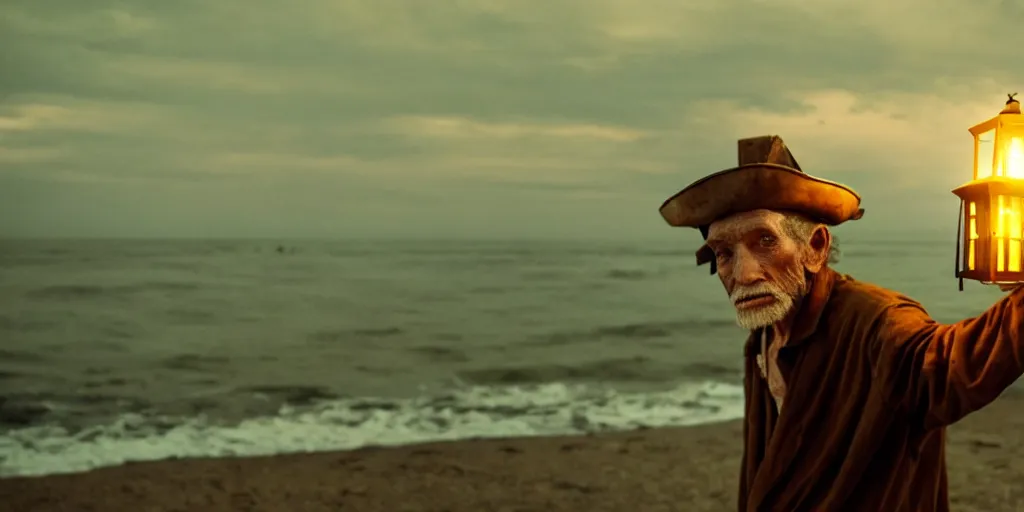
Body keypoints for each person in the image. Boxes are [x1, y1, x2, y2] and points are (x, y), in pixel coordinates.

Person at [658, 135, 1024, 511]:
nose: (744, 273)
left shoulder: (878, 322)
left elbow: (949, 367)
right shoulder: (762, 338)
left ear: (815, 248)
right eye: (724, 253)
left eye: (765, 241)